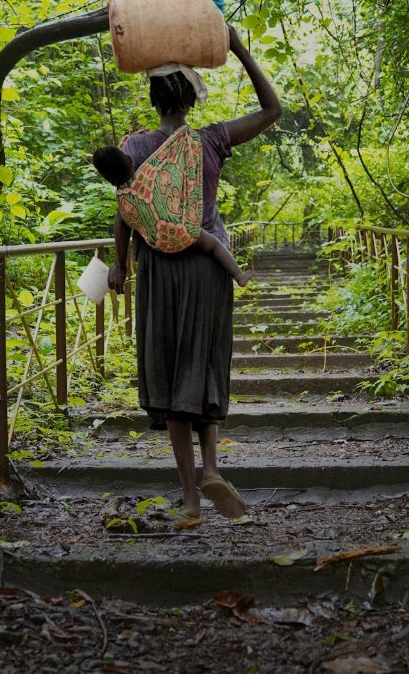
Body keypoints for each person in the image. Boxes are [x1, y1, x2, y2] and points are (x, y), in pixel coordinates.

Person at [106, 26, 281, 528]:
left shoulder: (136, 147)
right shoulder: (212, 140)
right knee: (204, 364)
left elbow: (123, 212)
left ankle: (189, 500)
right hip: (208, 266)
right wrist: (239, 48)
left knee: (169, 373)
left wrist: (121, 265)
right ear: (191, 98)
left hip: (161, 270)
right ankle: (211, 468)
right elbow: (272, 111)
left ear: (154, 97)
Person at [91, 143, 253, 287]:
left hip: (161, 243)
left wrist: (122, 264)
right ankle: (239, 276)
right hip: (182, 228)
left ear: (110, 181)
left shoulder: (124, 203)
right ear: (128, 158)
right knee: (213, 245)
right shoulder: (150, 171)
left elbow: (127, 224)